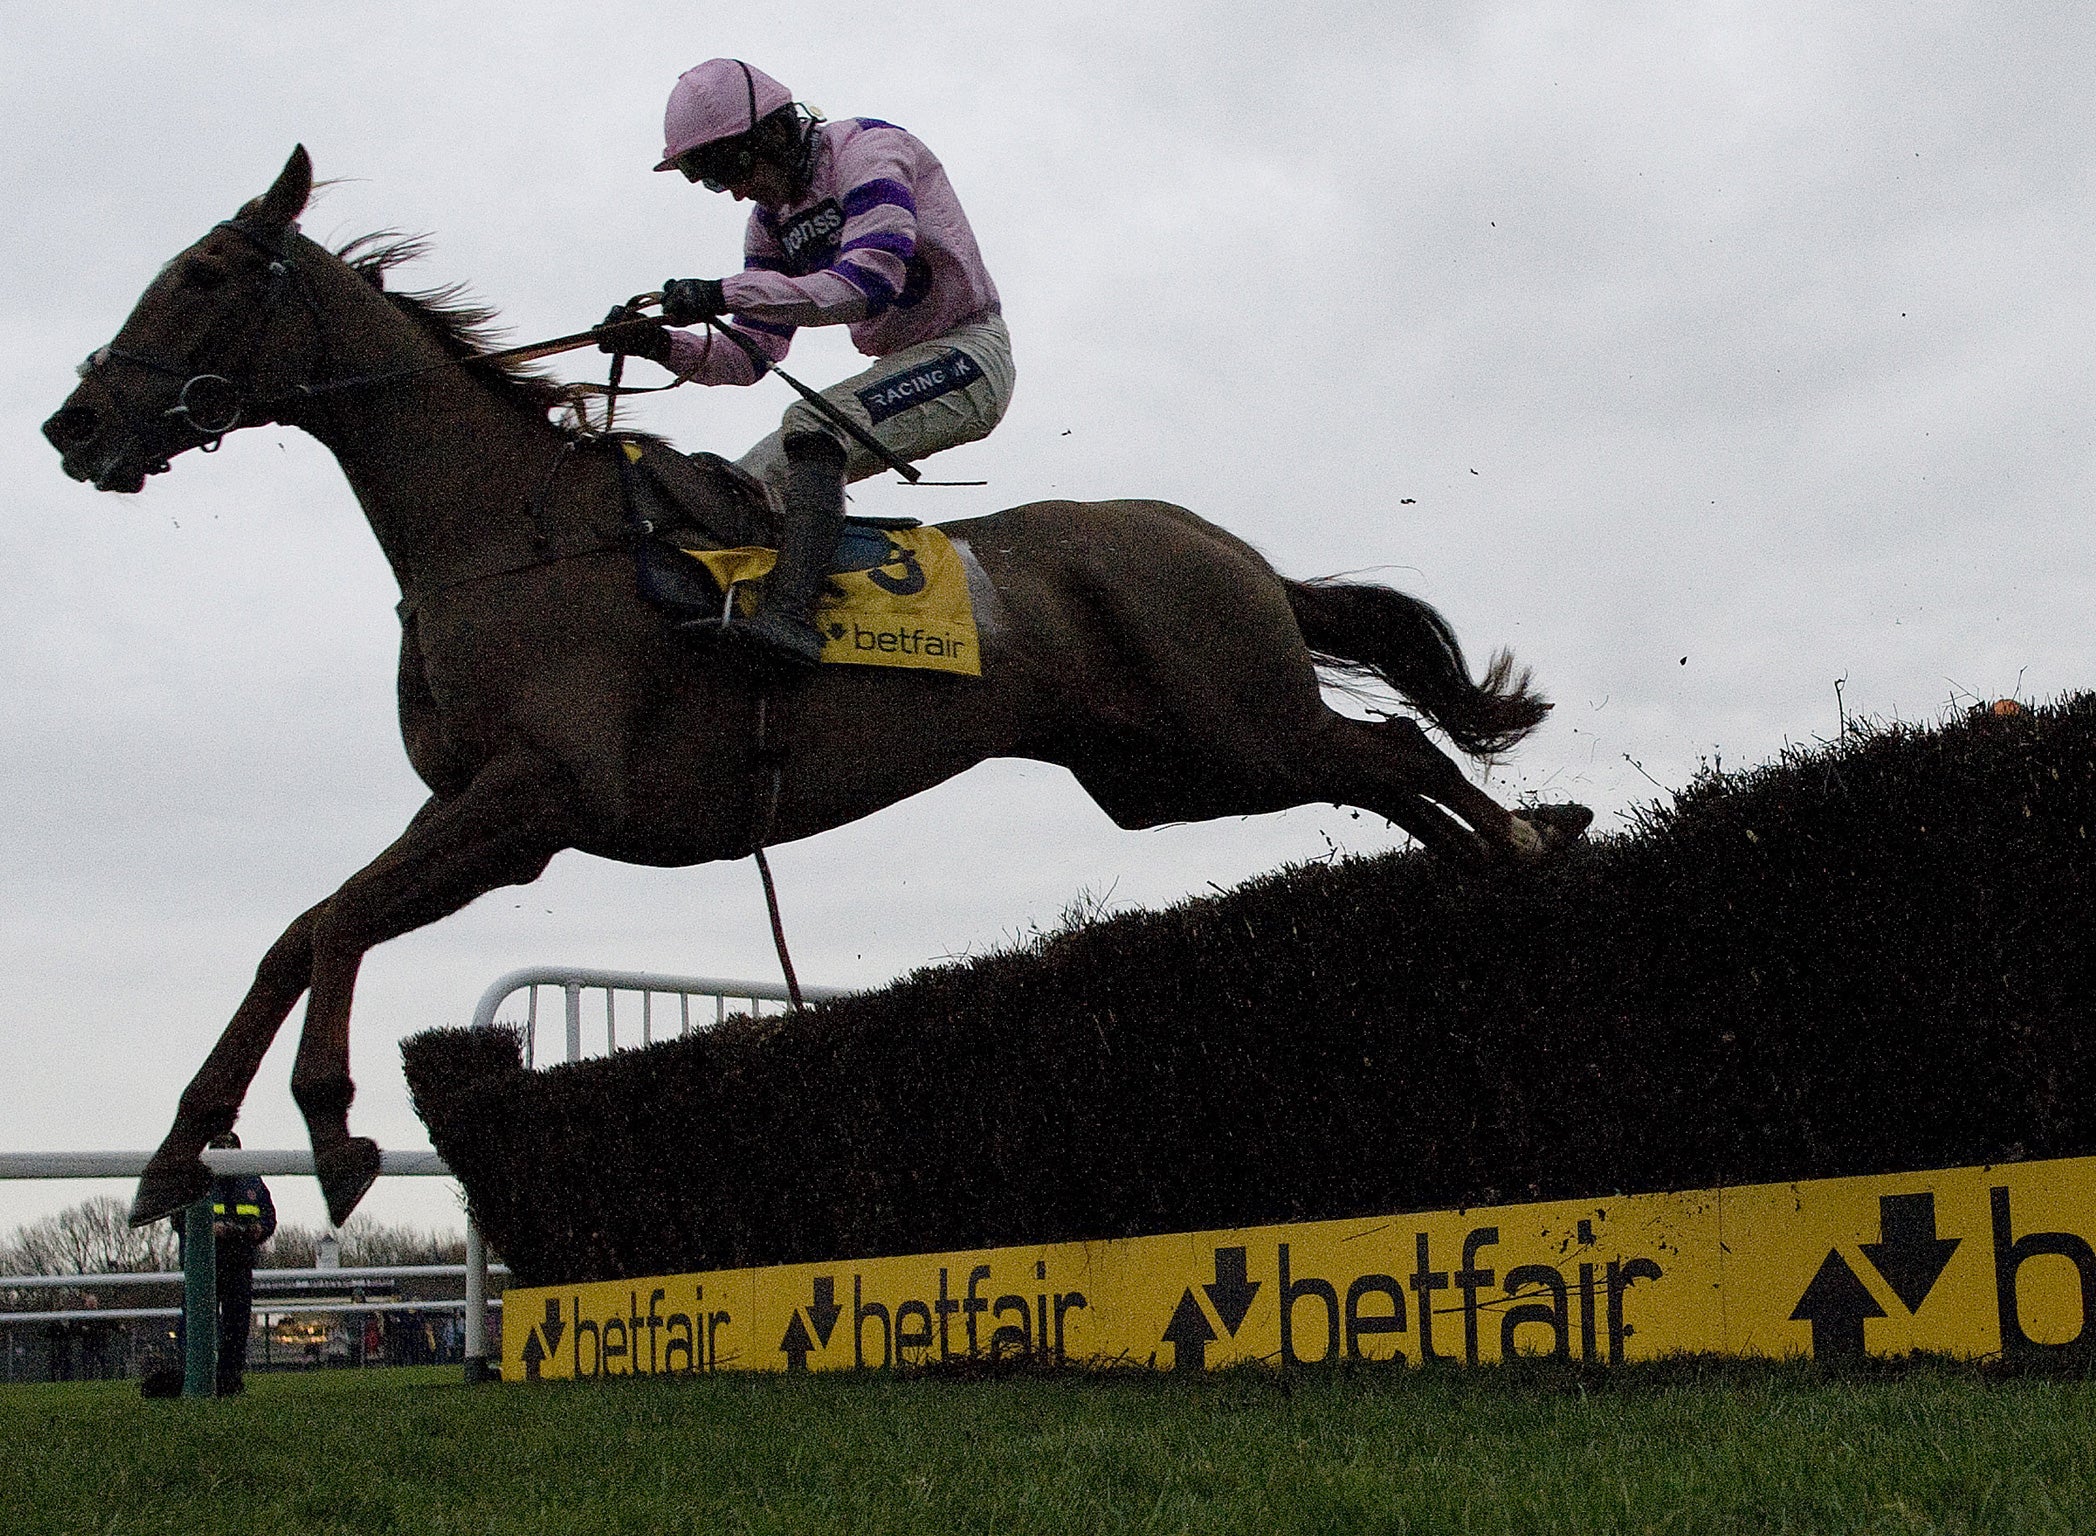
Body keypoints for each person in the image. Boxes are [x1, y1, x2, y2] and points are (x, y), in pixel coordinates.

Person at [597, 58, 1014, 671]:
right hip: (902, 364)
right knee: (742, 484)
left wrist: (723, 293)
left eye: (726, 170)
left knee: (812, 424)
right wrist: (657, 344)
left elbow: (869, 281)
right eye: (711, 182)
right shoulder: (770, 227)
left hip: (969, 355)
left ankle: (793, 621)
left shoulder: (870, 151)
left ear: (772, 133)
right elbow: (750, 355)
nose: (733, 191)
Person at [152, 1131, 276, 1397]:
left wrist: (258, 1230)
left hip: (239, 1264)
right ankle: (193, 1378)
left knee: (237, 1325)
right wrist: (208, 1229)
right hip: (204, 1265)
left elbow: (269, 1218)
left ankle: (230, 1381)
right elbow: (178, 1220)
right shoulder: (195, 1180)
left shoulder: (252, 1180)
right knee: (198, 1321)